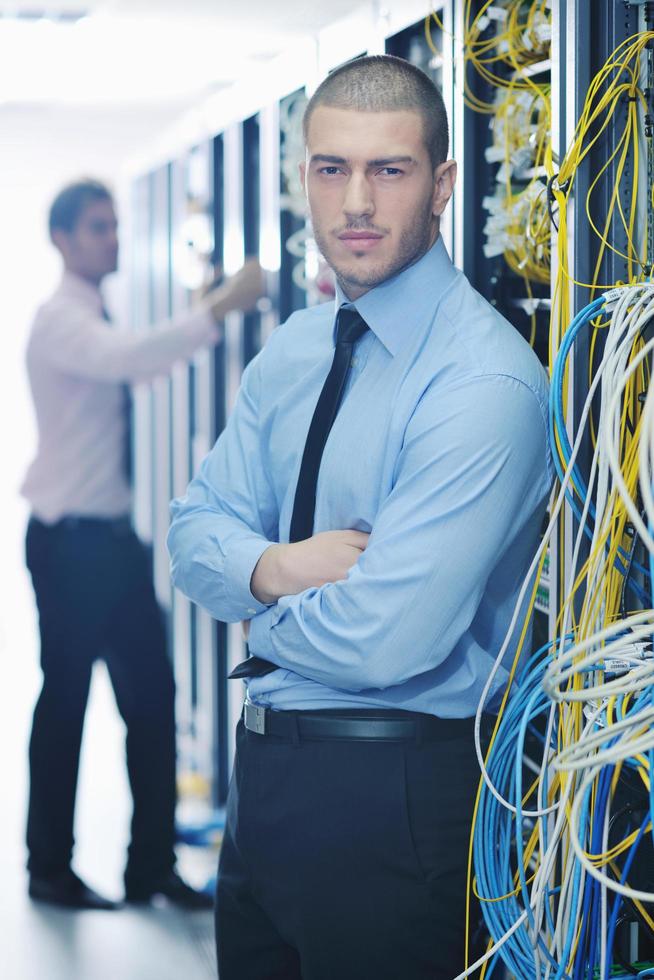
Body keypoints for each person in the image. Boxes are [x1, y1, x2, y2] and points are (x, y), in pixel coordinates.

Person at [168, 55, 552, 979]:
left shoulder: (481, 381)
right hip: (263, 787)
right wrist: (288, 568)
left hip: (396, 800)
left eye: (390, 169)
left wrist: (247, 599)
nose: (356, 204)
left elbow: (389, 640)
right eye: (332, 169)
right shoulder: (298, 348)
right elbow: (190, 532)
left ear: (445, 184)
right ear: (306, 180)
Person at [22, 178, 264, 911]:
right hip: (70, 545)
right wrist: (219, 306)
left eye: (116, 226)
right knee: (66, 705)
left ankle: (149, 868)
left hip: (110, 544)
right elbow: (130, 358)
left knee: (153, 701)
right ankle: (49, 869)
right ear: (63, 239)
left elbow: (139, 357)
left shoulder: (90, 309)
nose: (114, 239)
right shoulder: (60, 319)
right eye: (99, 228)